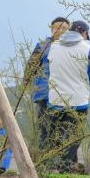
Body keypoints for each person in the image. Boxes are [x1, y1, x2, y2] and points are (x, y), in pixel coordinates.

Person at [44, 19, 90, 172]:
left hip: (55, 99)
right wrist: (85, 89)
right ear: (84, 33)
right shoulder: (87, 49)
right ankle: (65, 166)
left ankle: (56, 167)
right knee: (74, 136)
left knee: (56, 136)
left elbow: (48, 71)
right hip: (78, 101)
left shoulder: (53, 47)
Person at [23, 16, 70, 150]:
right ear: (52, 29)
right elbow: (30, 68)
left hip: (66, 95)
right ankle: (44, 163)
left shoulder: (73, 48)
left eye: (65, 28)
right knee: (45, 128)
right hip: (45, 94)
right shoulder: (42, 46)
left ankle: (63, 165)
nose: (61, 31)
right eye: (58, 27)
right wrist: (28, 86)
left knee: (64, 130)